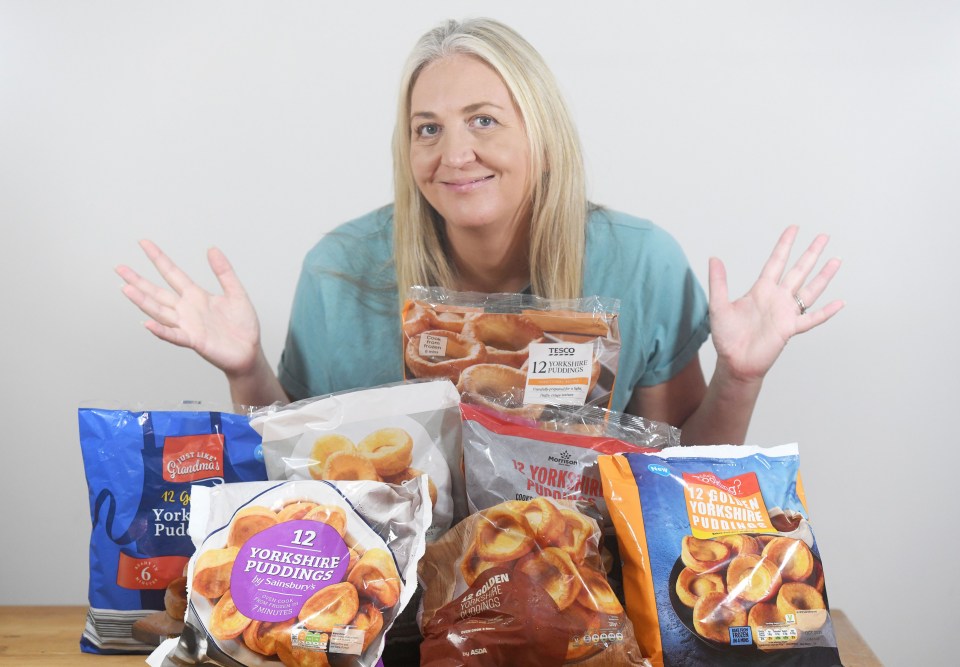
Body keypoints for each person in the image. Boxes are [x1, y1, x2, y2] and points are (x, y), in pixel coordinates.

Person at [116, 18, 843, 447]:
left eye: (484, 120)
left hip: (581, 601)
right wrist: (244, 370)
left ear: (544, 133)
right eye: (427, 129)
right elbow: (300, 468)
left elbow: (677, 480)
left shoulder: (640, 262)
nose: (454, 153)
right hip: (398, 608)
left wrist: (741, 378)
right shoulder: (339, 271)